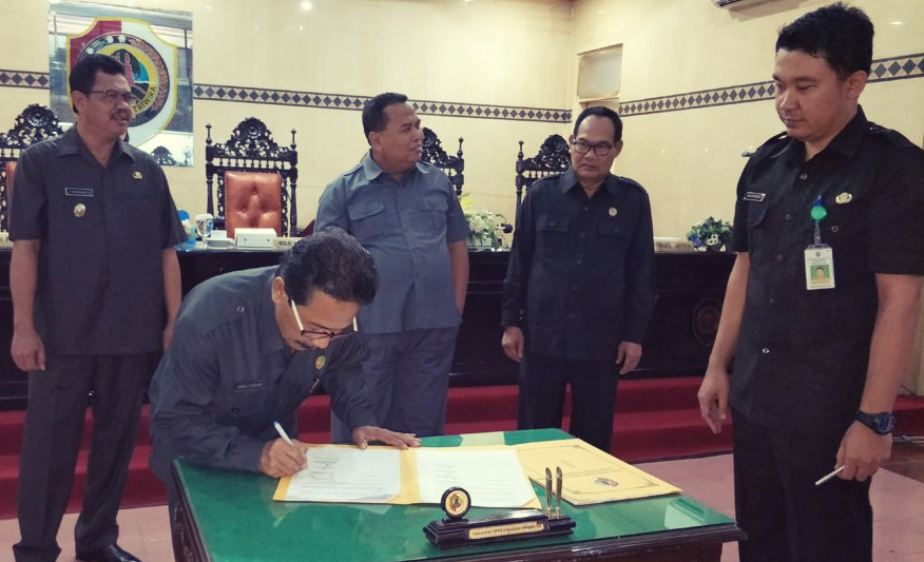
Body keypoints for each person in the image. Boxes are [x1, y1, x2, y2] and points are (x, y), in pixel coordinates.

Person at [696, 4, 924, 562]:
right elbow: (744, 271)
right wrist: (718, 365)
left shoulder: (894, 168)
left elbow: (900, 299)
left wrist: (874, 418)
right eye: (778, 85)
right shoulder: (765, 163)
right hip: (757, 398)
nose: (785, 102)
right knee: (760, 545)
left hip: (830, 410)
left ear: (854, 83)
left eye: (804, 86)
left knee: (827, 547)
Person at [9, 54, 186, 562]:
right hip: (62, 335)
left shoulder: (147, 170)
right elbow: (26, 249)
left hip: (130, 334)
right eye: (111, 95)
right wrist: (23, 327)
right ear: (79, 101)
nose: (123, 105)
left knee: (115, 444)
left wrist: (173, 321)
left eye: (128, 96)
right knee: (49, 448)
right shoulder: (42, 162)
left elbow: (167, 252)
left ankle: (97, 540)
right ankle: (36, 549)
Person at [148, 229, 420, 518]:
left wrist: (362, 420)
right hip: (201, 453)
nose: (323, 343)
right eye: (314, 329)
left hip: (277, 443)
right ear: (280, 292)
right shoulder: (210, 319)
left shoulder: (335, 318)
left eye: (337, 332)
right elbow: (176, 419)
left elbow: (344, 367)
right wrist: (257, 454)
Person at [315, 92, 470, 442]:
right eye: (406, 128)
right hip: (368, 332)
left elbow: (457, 246)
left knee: (423, 429)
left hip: (432, 327)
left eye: (418, 126)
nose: (418, 135)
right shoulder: (343, 191)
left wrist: (455, 307)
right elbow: (326, 266)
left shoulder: (438, 183)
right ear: (376, 139)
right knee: (362, 426)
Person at [501, 106, 656, 453]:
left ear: (617, 149)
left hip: (601, 341)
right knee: (533, 438)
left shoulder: (632, 200)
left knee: (594, 441)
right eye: (583, 144)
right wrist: (511, 322)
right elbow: (519, 262)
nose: (589, 154)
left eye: (601, 147)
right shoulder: (541, 195)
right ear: (571, 142)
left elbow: (642, 272)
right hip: (542, 337)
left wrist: (634, 336)